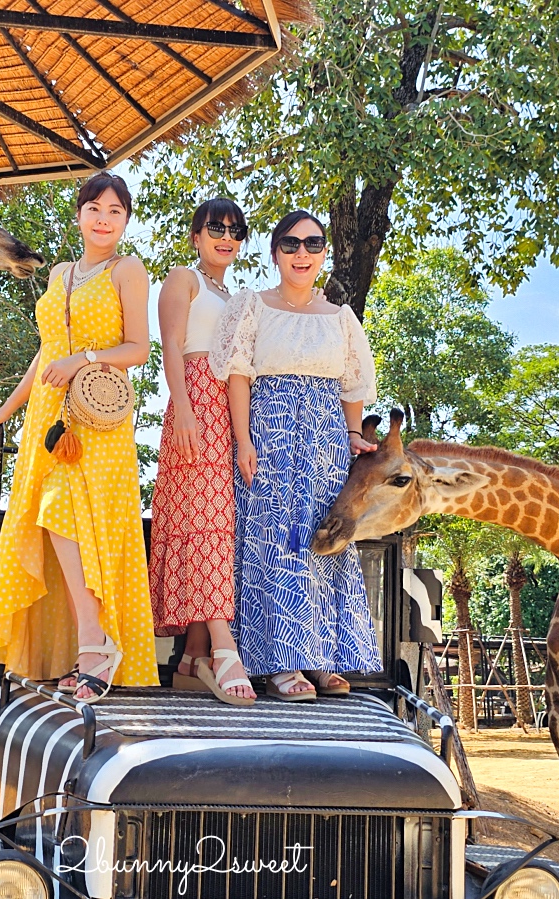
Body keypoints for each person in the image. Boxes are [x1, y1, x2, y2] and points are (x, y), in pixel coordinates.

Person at [0, 172, 157, 703]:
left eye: (116, 211)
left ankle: (97, 643)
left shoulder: (128, 270)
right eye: (95, 208)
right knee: (50, 524)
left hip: (99, 420)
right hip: (48, 420)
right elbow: (46, 351)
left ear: (125, 221)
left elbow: (139, 349)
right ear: (79, 214)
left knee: (74, 520)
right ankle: (79, 651)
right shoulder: (61, 273)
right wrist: (6, 409)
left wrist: (87, 359)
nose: (104, 219)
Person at [209, 210, 382, 701]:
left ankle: (325, 657)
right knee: (276, 542)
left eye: (312, 244)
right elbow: (237, 375)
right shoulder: (253, 306)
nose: (301, 253)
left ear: (324, 251)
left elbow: (352, 386)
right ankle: (281, 662)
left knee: (324, 539)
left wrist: (353, 435)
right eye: (290, 244)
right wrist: (243, 440)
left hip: (325, 437)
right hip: (270, 432)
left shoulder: (341, 318)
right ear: (274, 253)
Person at [149, 199, 254, 706]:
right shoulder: (182, 279)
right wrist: (185, 409)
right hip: (193, 402)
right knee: (203, 520)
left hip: (225, 408)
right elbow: (170, 345)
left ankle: (192, 656)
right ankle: (223, 647)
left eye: (236, 230)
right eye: (216, 227)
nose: (226, 236)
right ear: (196, 235)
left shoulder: (230, 293)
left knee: (213, 525)